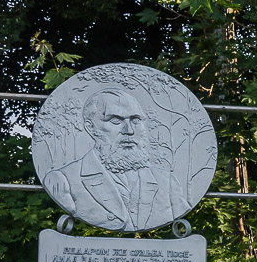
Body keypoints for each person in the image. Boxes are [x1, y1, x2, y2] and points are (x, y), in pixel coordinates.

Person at [42, 87, 188, 230]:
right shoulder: (63, 179)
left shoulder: (167, 182)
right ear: (90, 127)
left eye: (135, 120)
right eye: (115, 121)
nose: (129, 131)